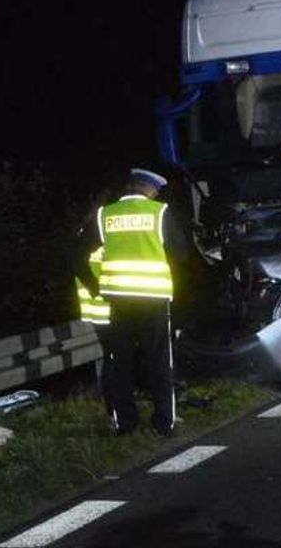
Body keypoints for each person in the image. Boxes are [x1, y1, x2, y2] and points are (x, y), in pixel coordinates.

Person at [78, 168, 188, 436]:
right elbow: (181, 254)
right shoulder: (159, 212)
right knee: (159, 361)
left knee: (120, 362)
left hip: (118, 300)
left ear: (130, 187)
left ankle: (125, 423)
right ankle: (164, 423)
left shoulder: (106, 215)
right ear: (150, 190)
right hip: (153, 299)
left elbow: (80, 256)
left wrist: (97, 287)